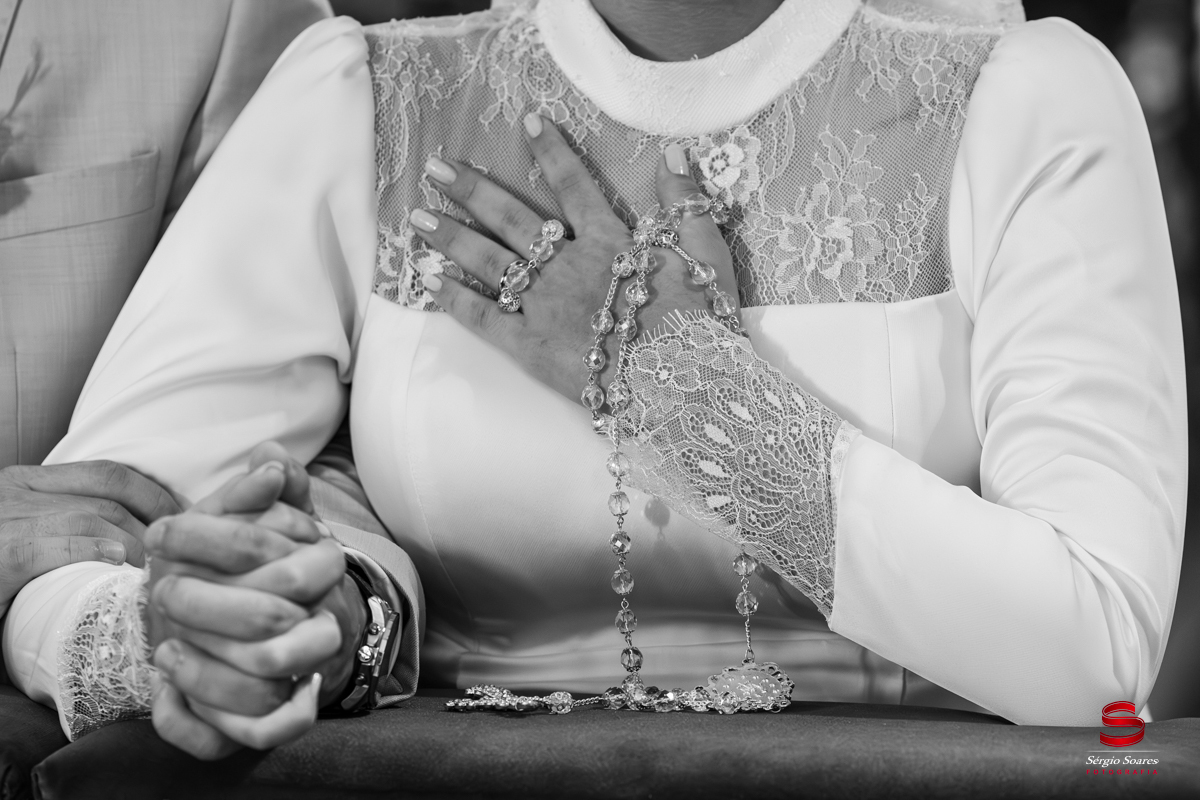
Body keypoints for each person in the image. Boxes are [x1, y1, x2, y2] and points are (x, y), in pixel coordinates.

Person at [5, 0, 1187, 758]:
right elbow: (81, 539)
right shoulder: (366, 101)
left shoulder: (1018, 99)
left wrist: (676, 382)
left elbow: (1097, 656)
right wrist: (181, 636)